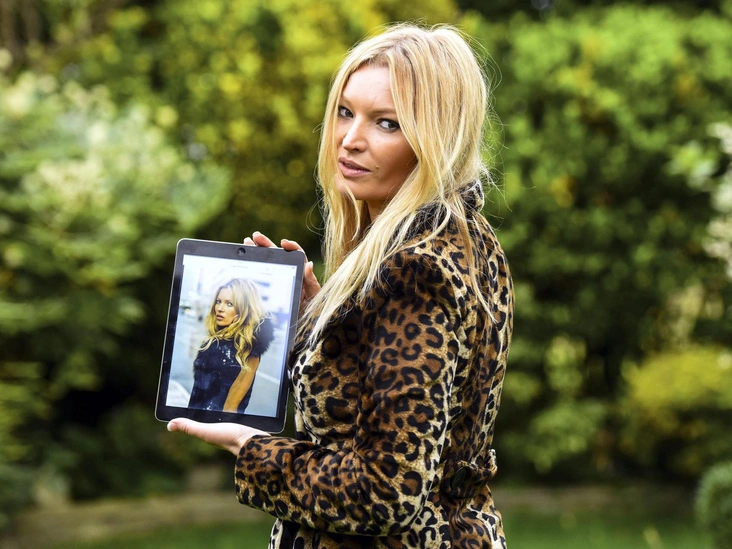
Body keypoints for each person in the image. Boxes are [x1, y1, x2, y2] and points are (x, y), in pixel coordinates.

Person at [169, 23, 514, 549]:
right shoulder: (467, 240)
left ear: (434, 138)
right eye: (346, 112)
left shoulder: (415, 270)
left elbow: (387, 491)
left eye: (387, 123)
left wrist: (251, 448)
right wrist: (322, 323)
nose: (350, 139)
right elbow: (378, 403)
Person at [187, 278, 275, 414]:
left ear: (243, 309)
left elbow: (230, 406)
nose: (220, 309)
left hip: (211, 421)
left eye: (229, 304)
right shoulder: (240, 346)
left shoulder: (240, 348)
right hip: (206, 419)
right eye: (218, 301)